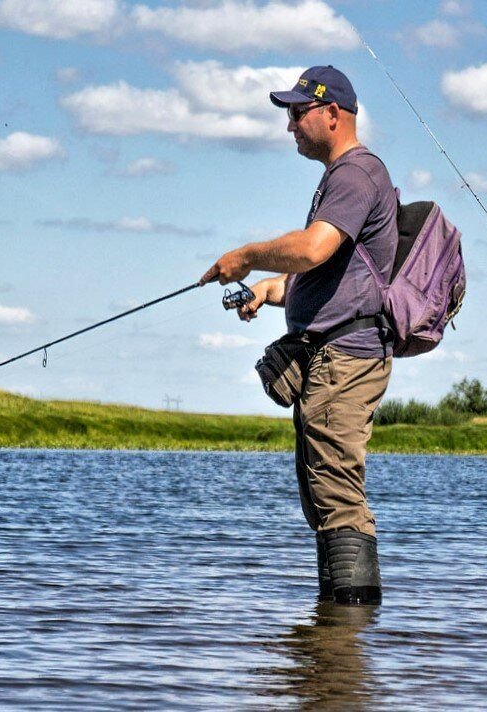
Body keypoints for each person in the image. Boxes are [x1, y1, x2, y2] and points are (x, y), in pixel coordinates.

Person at [199, 66, 398, 605]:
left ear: (332, 114)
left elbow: (313, 249)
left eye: (296, 112)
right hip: (334, 356)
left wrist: (244, 256)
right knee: (323, 494)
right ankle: (333, 647)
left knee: (336, 494)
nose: (289, 125)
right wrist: (268, 289)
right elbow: (332, 276)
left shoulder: (356, 175)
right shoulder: (343, 178)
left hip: (344, 360)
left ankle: (347, 643)